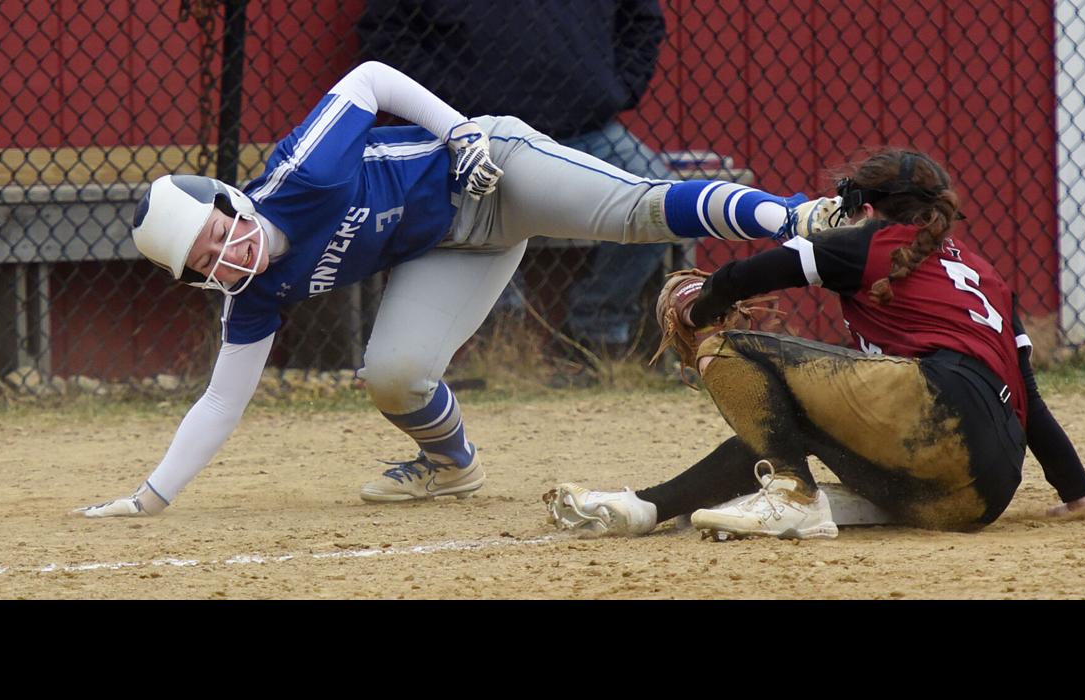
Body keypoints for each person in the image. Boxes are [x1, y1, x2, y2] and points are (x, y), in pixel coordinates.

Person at [75, 60, 822, 518]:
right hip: (453, 247)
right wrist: (149, 497)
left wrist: (458, 128)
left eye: (214, 231)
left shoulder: (299, 173)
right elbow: (220, 400)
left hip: (487, 167)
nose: (223, 254)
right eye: (203, 261)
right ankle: (451, 467)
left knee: (632, 210)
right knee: (393, 373)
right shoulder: (255, 296)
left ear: (229, 199)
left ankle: (799, 215)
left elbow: (369, 78)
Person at [545, 148, 1085, 541]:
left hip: (936, 411)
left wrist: (696, 308)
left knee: (730, 350)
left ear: (865, 209)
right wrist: (1078, 493)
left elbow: (745, 277)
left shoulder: (868, 242)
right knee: (794, 422)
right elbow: (1028, 398)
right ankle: (648, 507)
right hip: (977, 496)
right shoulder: (987, 276)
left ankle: (791, 495)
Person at [356, 0, 674, 359]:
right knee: (471, 213)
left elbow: (643, 19)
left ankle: (596, 327)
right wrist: (444, 105)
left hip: (586, 129)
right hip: (476, 137)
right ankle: (504, 342)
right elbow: (385, 32)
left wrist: (617, 88)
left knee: (659, 194)